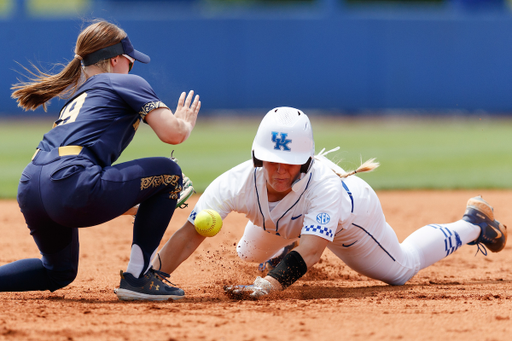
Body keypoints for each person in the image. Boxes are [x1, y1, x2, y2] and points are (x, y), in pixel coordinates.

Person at [149, 106, 507, 300]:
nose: (280, 169)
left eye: (290, 162)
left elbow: (311, 252)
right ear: (258, 156)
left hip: (349, 219)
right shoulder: (235, 182)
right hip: (285, 222)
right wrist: (150, 275)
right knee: (247, 257)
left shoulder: (324, 185)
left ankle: (474, 223)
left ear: (305, 160)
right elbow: (191, 232)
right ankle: (281, 249)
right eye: (272, 159)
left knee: (401, 271)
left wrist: (268, 287)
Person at [0, 20, 201, 301]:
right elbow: (172, 134)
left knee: (59, 272)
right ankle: (137, 278)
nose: (132, 69)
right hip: (70, 181)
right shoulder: (125, 81)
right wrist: (185, 125)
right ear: (116, 59)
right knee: (170, 172)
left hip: (32, 185)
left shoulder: (80, 95)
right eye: (131, 62)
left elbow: (90, 189)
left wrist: (148, 204)